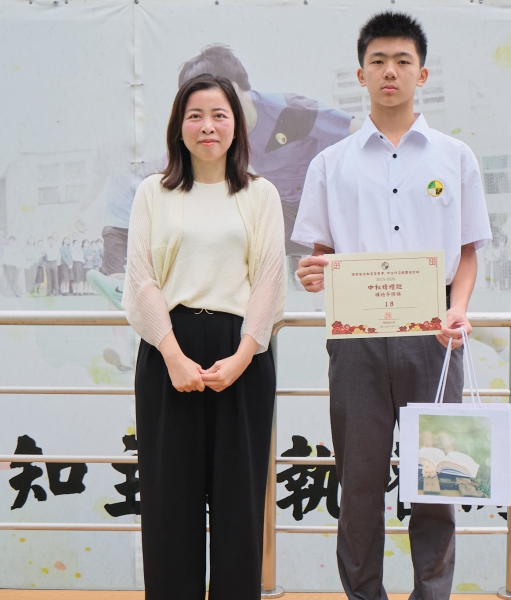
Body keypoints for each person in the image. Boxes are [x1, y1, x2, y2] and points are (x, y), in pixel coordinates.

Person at [292, 12, 492, 599]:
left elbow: (468, 253)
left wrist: (457, 308)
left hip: (435, 338)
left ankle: (431, 593)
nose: (390, 71)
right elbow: (321, 255)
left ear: (421, 73)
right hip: (356, 341)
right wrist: (313, 272)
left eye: (403, 61)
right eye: (378, 61)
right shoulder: (331, 163)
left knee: (438, 477)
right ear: (360, 74)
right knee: (358, 483)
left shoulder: (455, 158)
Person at [122, 73, 286, 600]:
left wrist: (242, 355)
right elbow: (141, 278)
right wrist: (172, 355)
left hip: (243, 354)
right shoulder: (154, 192)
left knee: (241, 506)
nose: (207, 126)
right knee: (169, 504)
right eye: (195, 115)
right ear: (179, 127)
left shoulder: (260, 194)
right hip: (168, 351)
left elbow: (269, 279)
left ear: (236, 126)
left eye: (219, 115)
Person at [84, 43, 360, 309]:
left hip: (325, 210)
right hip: (282, 216)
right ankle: (129, 285)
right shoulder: (215, 131)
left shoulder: (291, 112)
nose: (208, 119)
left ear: (234, 88)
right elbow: (168, 173)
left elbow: (360, 132)